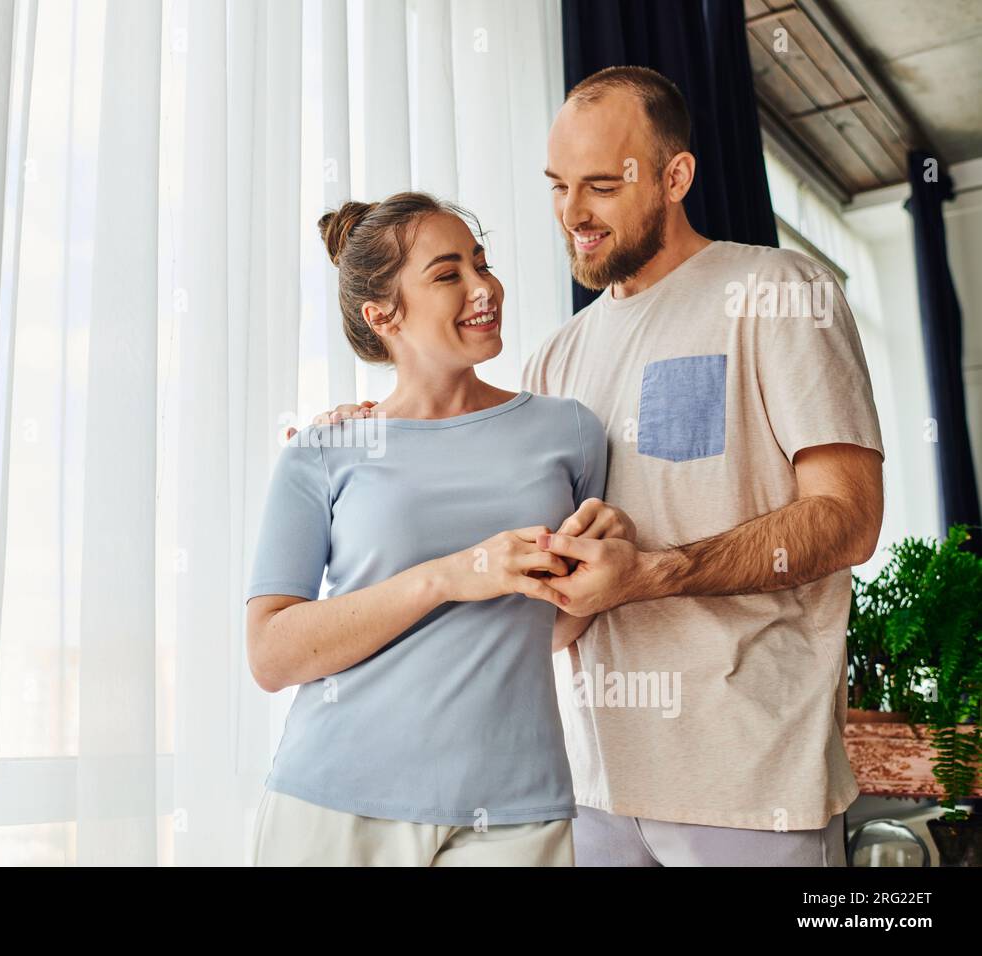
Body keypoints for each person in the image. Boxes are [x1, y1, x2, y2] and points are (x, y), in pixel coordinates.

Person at [310, 66, 884, 867]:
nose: (572, 215)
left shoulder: (780, 291)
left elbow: (849, 517)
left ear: (675, 176)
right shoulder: (556, 358)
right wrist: (375, 424)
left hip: (748, 782)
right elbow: (492, 523)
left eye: (602, 187)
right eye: (556, 186)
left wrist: (652, 572)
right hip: (588, 786)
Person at [245, 192, 632, 866]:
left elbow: (560, 625)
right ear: (382, 315)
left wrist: (603, 561)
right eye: (448, 274)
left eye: (482, 264)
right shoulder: (325, 449)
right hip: (334, 801)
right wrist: (449, 576)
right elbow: (272, 655)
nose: (484, 287)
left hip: (515, 805)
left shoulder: (568, 431)